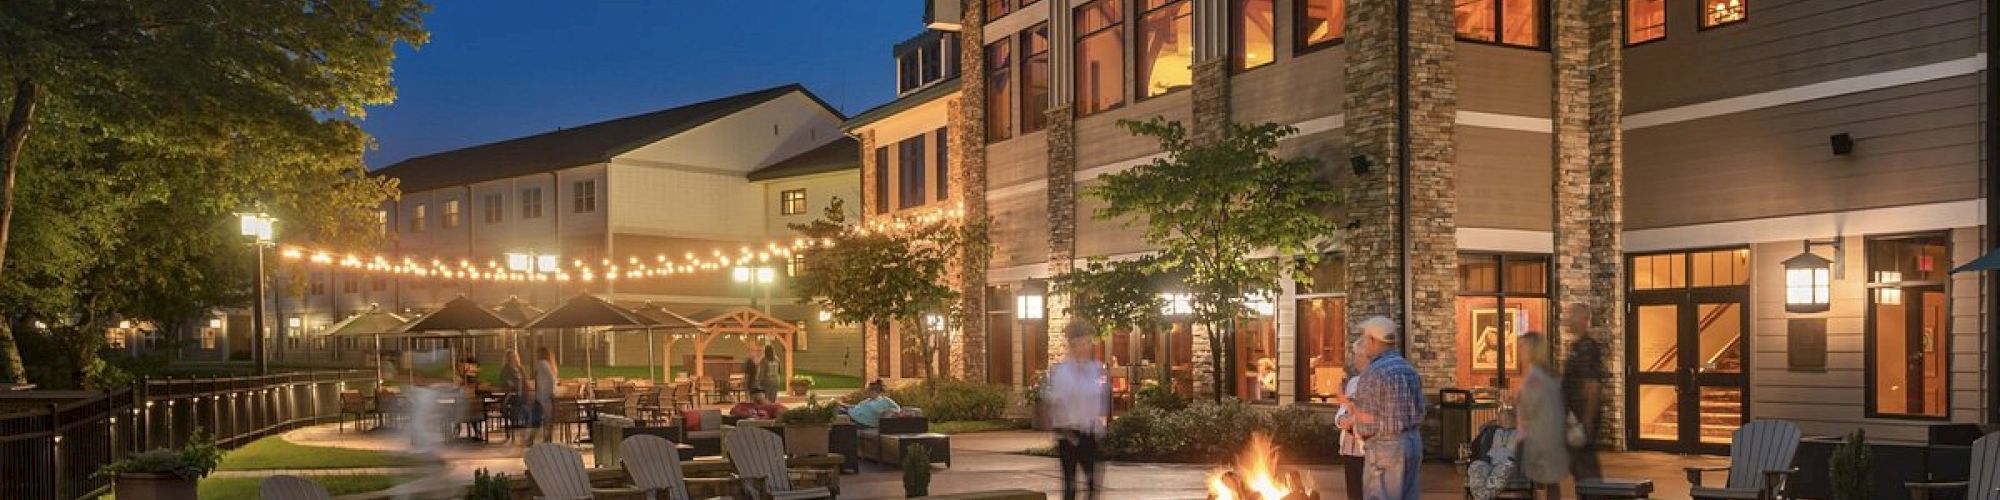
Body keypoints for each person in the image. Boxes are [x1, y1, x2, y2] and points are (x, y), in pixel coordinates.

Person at [1348, 316, 1424, 500]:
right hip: (1412, 442)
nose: (1363, 343)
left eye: (1365, 338)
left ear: (1373, 340)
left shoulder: (1373, 372)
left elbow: (1366, 424)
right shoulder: (1408, 368)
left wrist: (1354, 428)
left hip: (1384, 447)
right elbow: (1421, 409)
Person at [1044, 322, 1108, 500]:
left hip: (1089, 432)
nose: (1085, 348)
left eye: (1087, 343)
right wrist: (1062, 428)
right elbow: (1055, 402)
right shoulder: (1063, 372)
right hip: (1069, 434)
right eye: (1080, 344)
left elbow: (1098, 400)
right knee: (1070, 485)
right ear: (1072, 346)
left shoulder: (1095, 369)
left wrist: (1099, 426)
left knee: (1092, 483)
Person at [1514, 332, 1569, 496]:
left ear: (1532, 350)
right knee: (1551, 484)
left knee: (1525, 486)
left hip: (1535, 439)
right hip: (1552, 438)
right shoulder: (1551, 375)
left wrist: (1516, 402)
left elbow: (1529, 409)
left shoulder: (1534, 378)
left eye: (1523, 347)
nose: (1520, 351)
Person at [1559, 304, 1606, 481]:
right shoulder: (1577, 347)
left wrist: (1587, 418)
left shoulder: (1587, 348)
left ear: (1584, 319)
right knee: (1578, 465)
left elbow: (1593, 385)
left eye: (1572, 315)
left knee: (1585, 466)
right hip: (1573, 417)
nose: (1568, 320)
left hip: (1581, 418)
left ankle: (1593, 494)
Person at [1334, 339, 1368, 500]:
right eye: (1355, 355)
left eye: (1358, 356)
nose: (1355, 359)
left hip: (1371, 453)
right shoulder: (1354, 382)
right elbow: (1342, 411)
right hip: (1350, 450)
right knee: (1354, 495)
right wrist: (1342, 420)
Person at [1465, 406, 1522, 500]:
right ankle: (1482, 496)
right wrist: (1487, 427)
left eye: (1509, 417)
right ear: (1498, 419)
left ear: (1515, 419)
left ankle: (1482, 497)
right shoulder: (1489, 431)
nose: (1507, 420)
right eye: (1503, 417)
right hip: (1487, 462)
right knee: (1476, 469)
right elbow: (1474, 447)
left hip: (1507, 463)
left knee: (1501, 471)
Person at [532, 347, 558, 444]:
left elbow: (540, 381)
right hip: (548, 395)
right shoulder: (549, 366)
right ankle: (547, 437)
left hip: (542, 395)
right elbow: (551, 380)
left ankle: (532, 438)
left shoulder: (541, 365)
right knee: (547, 418)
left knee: (537, 418)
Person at [498, 349, 529, 426]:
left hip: (523, 394)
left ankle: (523, 419)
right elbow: (503, 380)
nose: (514, 359)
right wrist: (509, 383)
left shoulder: (520, 369)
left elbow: (525, 380)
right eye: (512, 357)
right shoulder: (506, 369)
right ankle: (516, 418)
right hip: (511, 395)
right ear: (508, 359)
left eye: (515, 357)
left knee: (528, 402)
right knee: (518, 402)